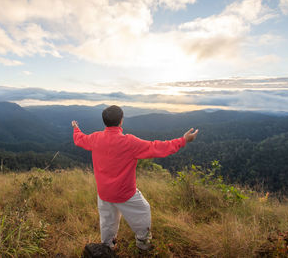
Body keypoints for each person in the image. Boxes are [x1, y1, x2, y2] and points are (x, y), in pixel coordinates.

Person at [72, 105, 198, 251]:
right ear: (121, 121)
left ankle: (108, 247)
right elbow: (157, 147)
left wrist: (76, 128)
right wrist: (183, 140)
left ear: (104, 122)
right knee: (143, 212)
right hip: (125, 194)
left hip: (104, 193)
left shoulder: (95, 138)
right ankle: (142, 244)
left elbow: (79, 139)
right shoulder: (129, 142)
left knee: (107, 222)